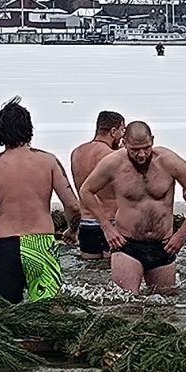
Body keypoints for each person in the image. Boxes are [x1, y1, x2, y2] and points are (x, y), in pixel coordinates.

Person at [0, 98, 81, 305]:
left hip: (6, 246)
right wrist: (72, 230)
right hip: (41, 245)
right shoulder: (48, 162)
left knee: (8, 315)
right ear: (29, 128)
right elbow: (74, 206)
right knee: (47, 311)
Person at [79, 121, 186, 294]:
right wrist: (107, 227)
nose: (141, 154)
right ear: (124, 143)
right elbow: (86, 190)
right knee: (126, 303)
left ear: (153, 141)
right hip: (127, 244)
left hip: (163, 245)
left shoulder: (168, 161)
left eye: (146, 148)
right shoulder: (114, 163)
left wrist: (182, 233)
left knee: (166, 305)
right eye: (134, 150)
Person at [69, 111, 126, 260]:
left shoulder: (76, 153)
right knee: (112, 278)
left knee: (90, 277)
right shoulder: (114, 156)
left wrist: (72, 228)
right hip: (111, 224)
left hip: (86, 224)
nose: (122, 137)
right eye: (122, 130)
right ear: (113, 131)